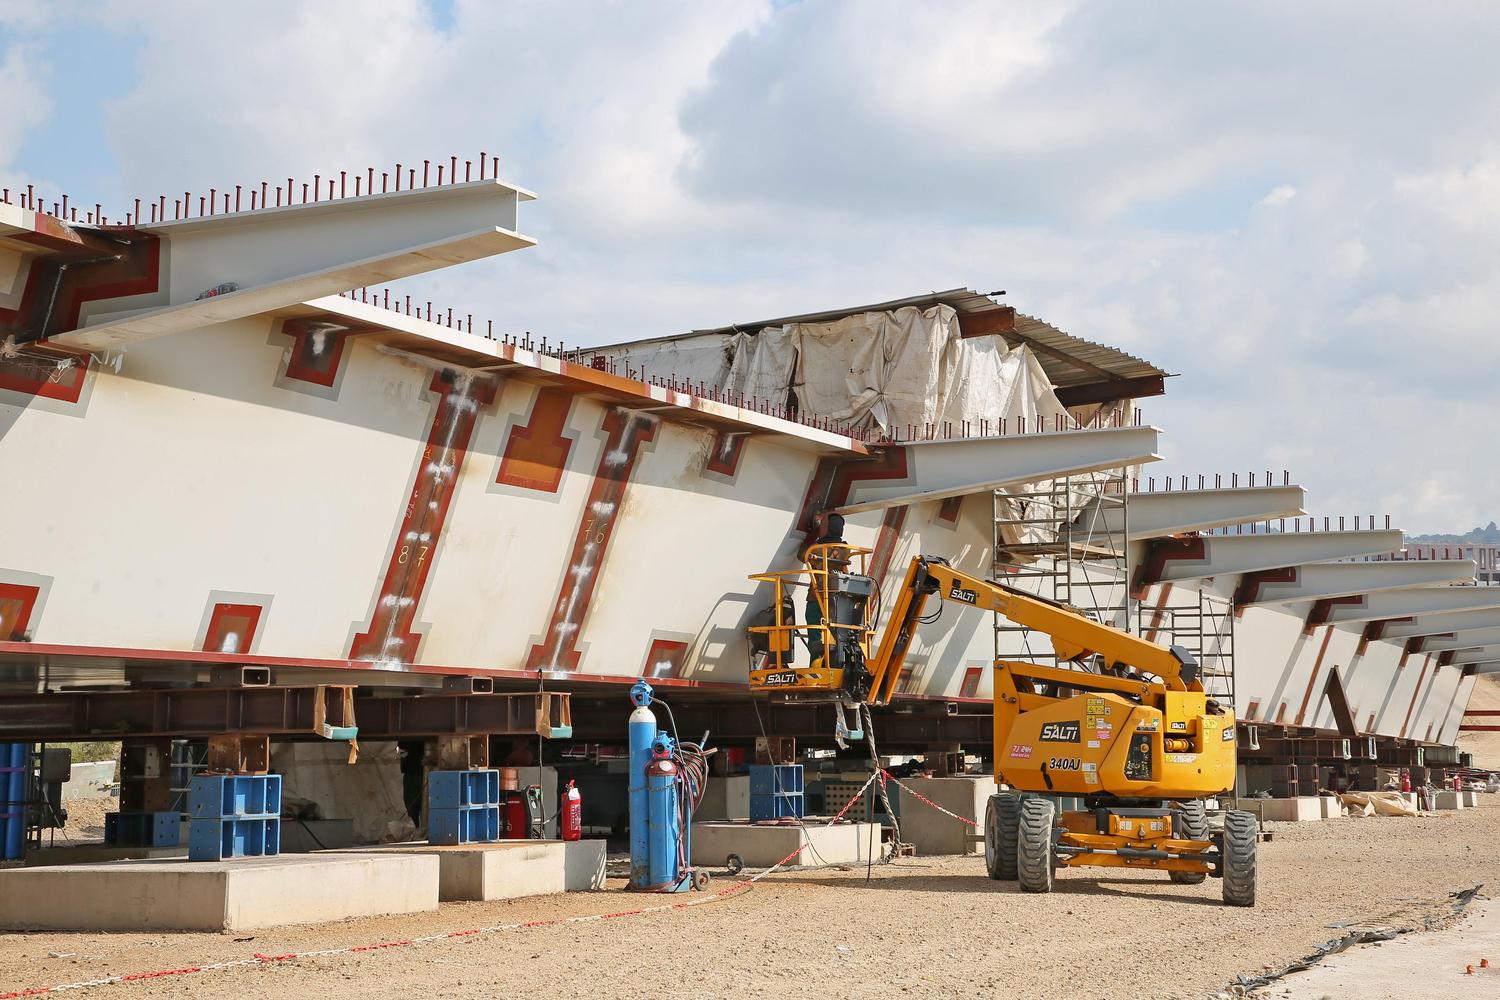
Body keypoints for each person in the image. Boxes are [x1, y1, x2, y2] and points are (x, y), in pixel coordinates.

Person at [803, 512, 849, 663]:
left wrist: (812, 535)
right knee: (836, 633)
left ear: (827, 528)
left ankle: (815, 664)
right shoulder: (845, 548)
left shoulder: (818, 548)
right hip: (838, 599)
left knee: (816, 634)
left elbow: (802, 555)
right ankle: (834, 663)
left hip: (817, 597)